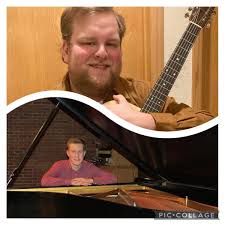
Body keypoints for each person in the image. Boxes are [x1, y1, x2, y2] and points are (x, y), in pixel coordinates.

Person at [57, 7, 214, 131]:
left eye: (111, 44)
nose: (102, 53)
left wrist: (150, 121)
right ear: (66, 50)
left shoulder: (141, 93)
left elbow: (208, 122)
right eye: (89, 42)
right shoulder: (51, 108)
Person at [41, 137, 117, 186]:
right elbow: (44, 181)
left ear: (84, 153)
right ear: (68, 153)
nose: (77, 156)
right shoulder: (59, 165)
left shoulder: (89, 167)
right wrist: (70, 182)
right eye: (73, 152)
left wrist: (90, 180)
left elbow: (113, 178)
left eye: (80, 152)